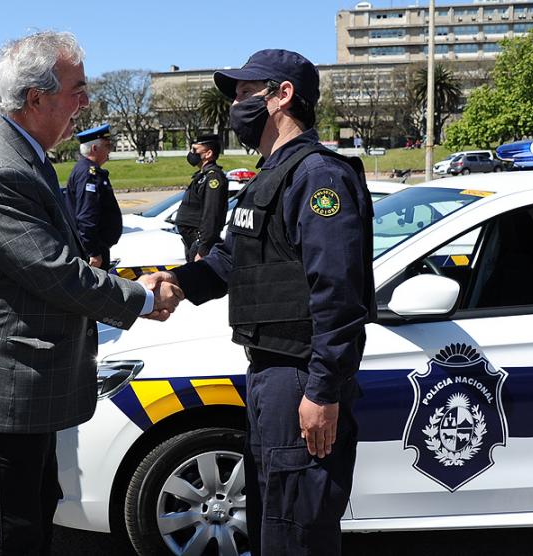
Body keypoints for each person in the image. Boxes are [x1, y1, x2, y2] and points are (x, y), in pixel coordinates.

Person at [0, 31, 182, 554]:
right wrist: (144, 299)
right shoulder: (1, 169)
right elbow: (57, 272)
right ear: (36, 98)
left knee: (29, 513)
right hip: (1, 387)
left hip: (6, 383)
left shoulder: (13, 149)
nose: (86, 101)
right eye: (77, 88)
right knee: (11, 532)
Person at [149, 49, 375, 555]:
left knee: (299, 528)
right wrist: (178, 283)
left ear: (283, 95)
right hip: (269, 372)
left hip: (300, 375)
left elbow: (338, 298)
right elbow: (232, 259)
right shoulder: (271, 177)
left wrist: (323, 390)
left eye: (247, 93)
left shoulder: (319, 178)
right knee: (273, 519)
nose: (236, 105)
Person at [65, 123, 121, 268]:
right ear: (94, 148)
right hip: (91, 252)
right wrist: (94, 252)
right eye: (107, 146)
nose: (110, 150)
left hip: (95, 248)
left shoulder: (88, 170)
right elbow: (86, 216)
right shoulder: (88, 174)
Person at [176, 134, 228, 262]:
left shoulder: (213, 177)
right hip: (192, 242)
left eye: (195, 150)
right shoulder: (202, 176)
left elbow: (211, 214)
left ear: (208, 153)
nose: (191, 153)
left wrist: (203, 249)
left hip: (200, 243)